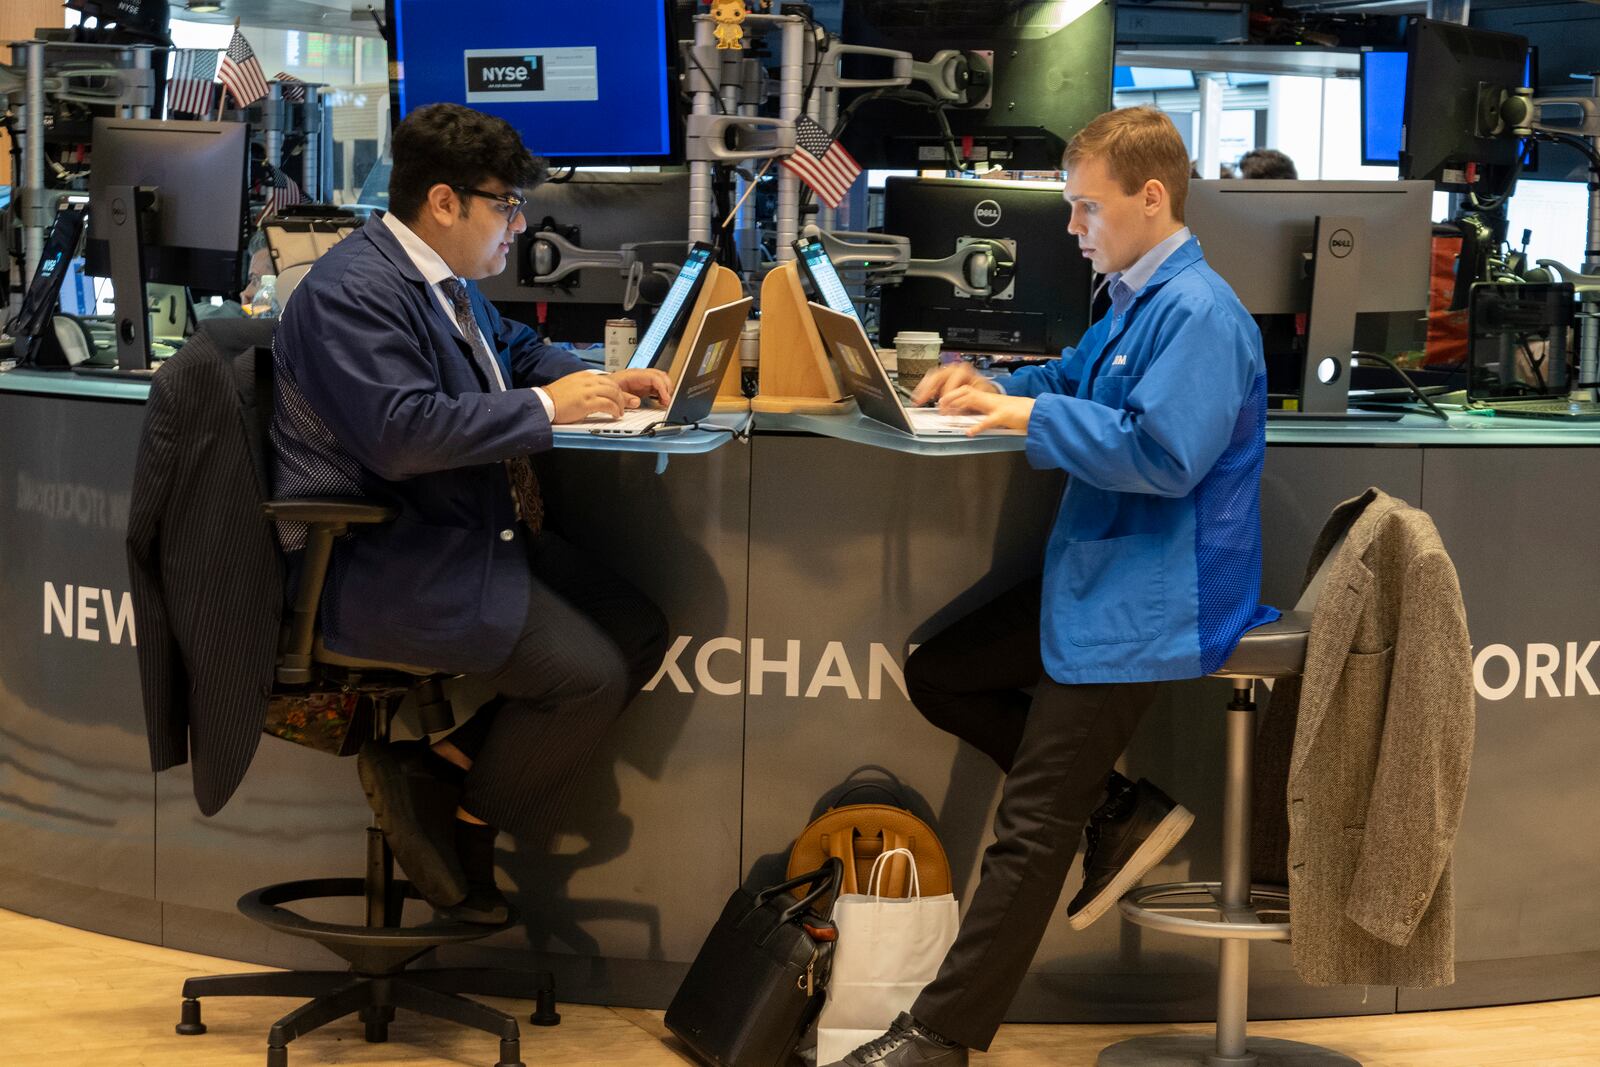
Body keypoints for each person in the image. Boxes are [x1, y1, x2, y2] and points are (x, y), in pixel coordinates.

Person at [823, 106, 1276, 1067]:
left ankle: (939, 1038)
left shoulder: (1200, 314)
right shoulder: (1132, 299)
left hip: (1156, 595)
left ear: (1152, 199)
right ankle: (1116, 807)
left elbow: (1163, 455)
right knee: (943, 672)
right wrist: (980, 381)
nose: (1072, 228)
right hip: (1102, 571)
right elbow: (1069, 379)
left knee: (1030, 829)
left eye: (1085, 209)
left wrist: (1019, 415)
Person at [269, 103, 671, 924]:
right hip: (389, 564)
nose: (518, 227)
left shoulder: (437, 280)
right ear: (445, 203)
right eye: (507, 206)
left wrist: (597, 379)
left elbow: (512, 349)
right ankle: (469, 826)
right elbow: (400, 434)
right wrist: (547, 409)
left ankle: (442, 768)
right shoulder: (353, 291)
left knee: (637, 626)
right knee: (587, 679)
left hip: (468, 533)